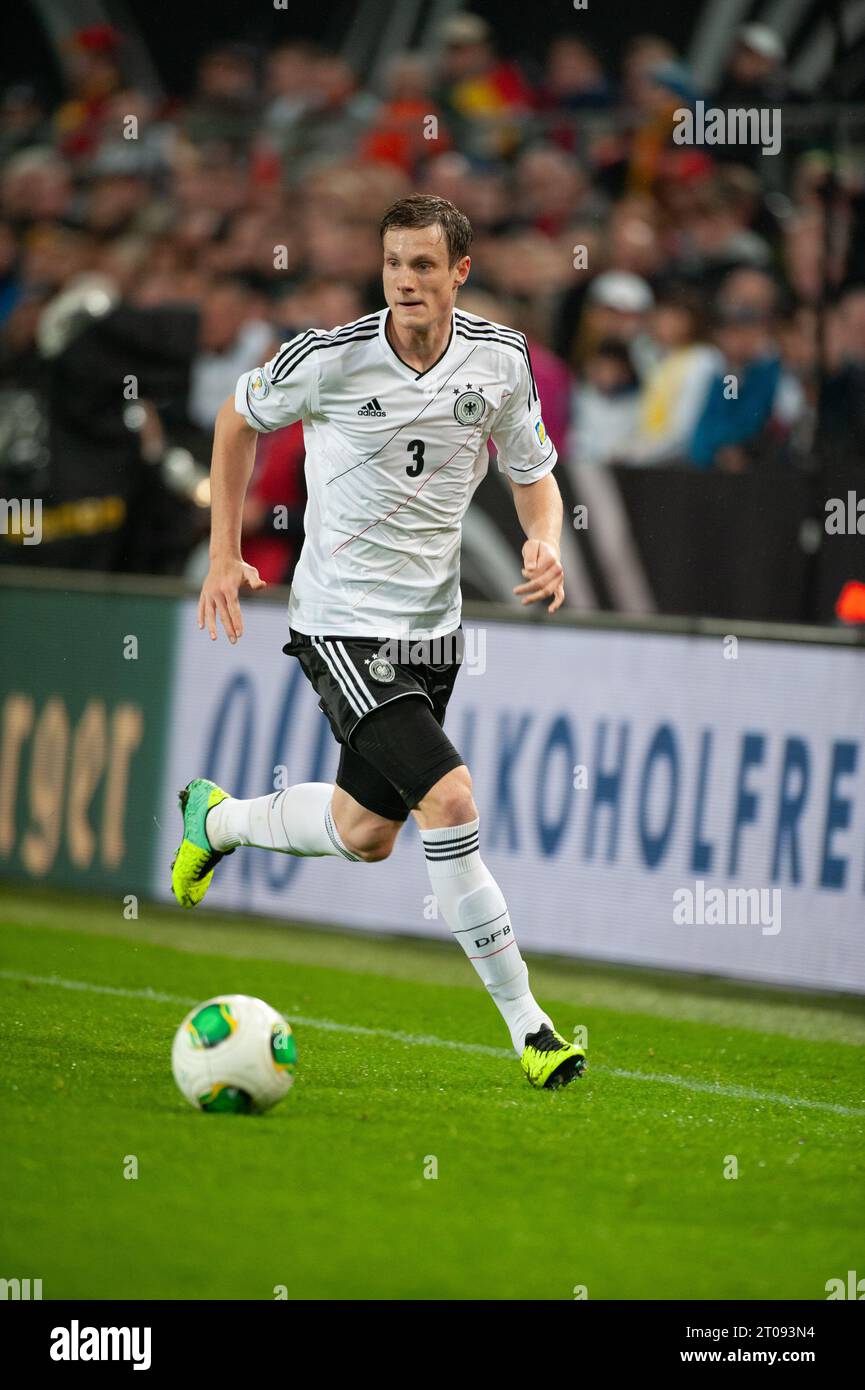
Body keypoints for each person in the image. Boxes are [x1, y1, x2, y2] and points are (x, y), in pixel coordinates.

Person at [171, 193, 586, 1091]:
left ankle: (216, 819)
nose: (406, 280)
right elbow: (237, 420)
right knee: (451, 800)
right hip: (340, 623)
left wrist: (543, 538)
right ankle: (532, 1028)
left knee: (367, 834)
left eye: (424, 265)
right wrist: (223, 555)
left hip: (433, 628)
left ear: (459, 273)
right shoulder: (328, 356)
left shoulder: (499, 361)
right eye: (394, 263)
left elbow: (535, 474)